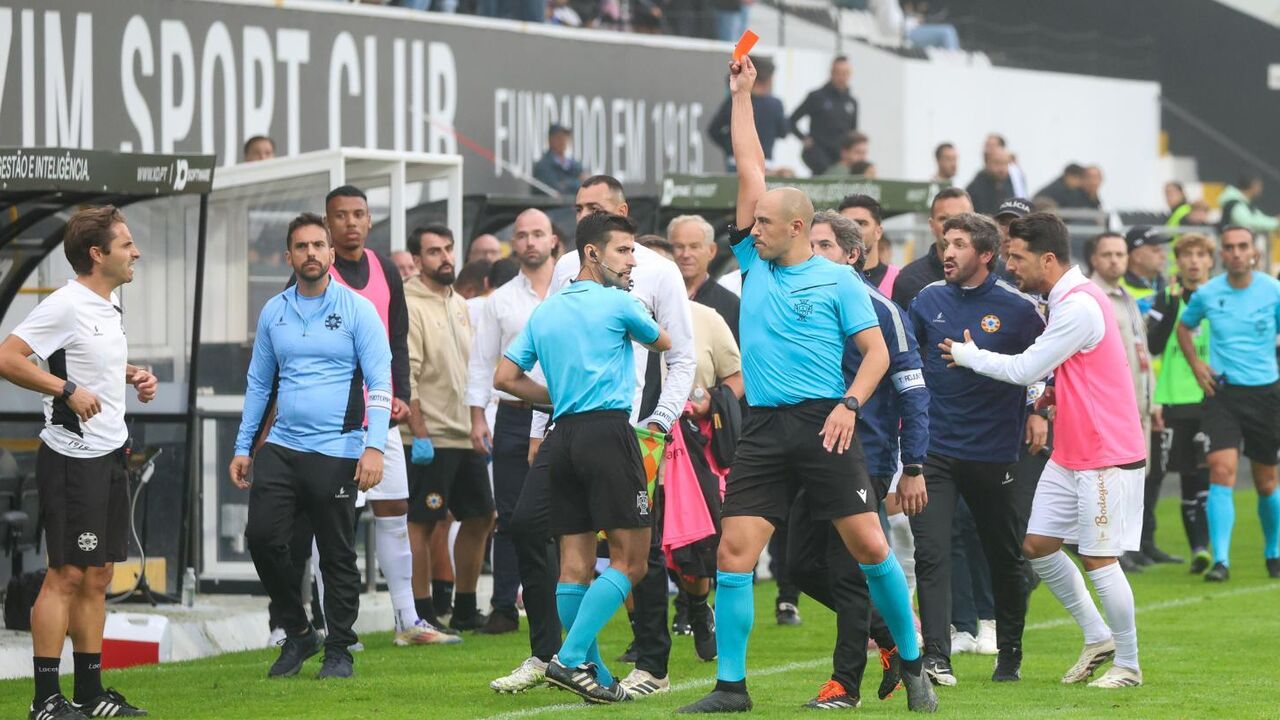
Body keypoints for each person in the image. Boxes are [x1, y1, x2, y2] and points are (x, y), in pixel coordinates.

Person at [677, 54, 936, 714]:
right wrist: (742, 95)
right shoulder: (755, 267)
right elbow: (749, 165)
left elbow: (876, 354)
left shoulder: (838, 280)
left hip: (825, 422)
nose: (751, 228)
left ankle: (913, 664)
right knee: (736, 556)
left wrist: (851, 404)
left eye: (763, 223)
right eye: (752, 221)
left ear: (795, 228)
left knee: (872, 548)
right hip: (764, 428)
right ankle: (731, 689)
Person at [498, 175, 695, 699]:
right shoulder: (619, 302)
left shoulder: (547, 309)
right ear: (593, 253)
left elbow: (504, 379)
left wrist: (557, 396)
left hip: (562, 435)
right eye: (625, 251)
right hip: (610, 434)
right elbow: (668, 343)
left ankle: (598, 676)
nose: (634, 262)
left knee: (575, 563)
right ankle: (566, 659)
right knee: (632, 559)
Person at [944, 211, 1148, 689]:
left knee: (1100, 558)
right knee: (1037, 546)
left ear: (1049, 258)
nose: (1010, 266)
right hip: (1072, 450)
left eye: (1017, 256)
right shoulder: (1066, 301)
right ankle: (1098, 636)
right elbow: (1071, 371)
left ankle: (1129, 664)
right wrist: (1054, 394)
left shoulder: (1077, 306)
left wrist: (966, 353)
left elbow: (1023, 369)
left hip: (1105, 452)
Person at [0, 207, 155, 720]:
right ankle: (45, 700)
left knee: (97, 576)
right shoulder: (64, 303)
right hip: (71, 459)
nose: (135, 252)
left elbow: (90, 361)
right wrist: (66, 389)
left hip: (110, 453)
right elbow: (8, 357)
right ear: (97, 253)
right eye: (127, 244)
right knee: (64, 576)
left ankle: (89, 694)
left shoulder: (109, 304)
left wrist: (132, 375)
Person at [232, 213, 393, 681]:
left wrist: (375, 447)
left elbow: (381, 383)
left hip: (340, 449)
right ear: (289, 256)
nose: (311, 254)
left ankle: (339, 649)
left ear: (330, 253)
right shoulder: (273, 312)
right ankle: (300, 632)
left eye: (318, 245)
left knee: (337, 554)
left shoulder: (358, 309)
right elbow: (260, 385)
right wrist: (245, 446)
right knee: (262, 539)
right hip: (281, 446)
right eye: (301, 247)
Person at [797, 210, 930, 709]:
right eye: (810, 245)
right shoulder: (805, 305)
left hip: (863, 459)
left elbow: (914, 393)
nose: (814, 255)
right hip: (808, 454)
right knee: (800, 565)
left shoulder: (882, 310)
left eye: (825, 246)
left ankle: (844, 686)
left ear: (853, 255)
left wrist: (912, 465)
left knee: (847, 570)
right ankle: (893, 637)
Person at [907, 212, 1045, 685]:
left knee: (1004, 556)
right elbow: (909, 361)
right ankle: (937, 656)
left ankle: (1009, 652)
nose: (948, 252)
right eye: (946, 243)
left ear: (986, 255)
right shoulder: (926, 300)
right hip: (935, 450)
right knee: (932, 552)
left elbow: (1042, 368)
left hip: (993, 452)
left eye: (960, 244)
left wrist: (1036, 411)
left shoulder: (1021, 309)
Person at [316, 186, 438, 647]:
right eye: (341, 215)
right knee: (334, 520)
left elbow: (398, 339)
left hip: (381, 414)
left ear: (370, 221)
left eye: (359, 214)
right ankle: (336, 626)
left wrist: (401, 394)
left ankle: (407, 620)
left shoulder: (386, 269)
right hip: (331, 421)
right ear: (328, 223)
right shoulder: (315, 273)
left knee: (394, 510)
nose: (351, 223)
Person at [635, 234, 742, 665]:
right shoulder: (618, 318)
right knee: (634, 543)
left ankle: (698, 607)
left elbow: (738, 378)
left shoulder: (706, 318)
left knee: (693, 553)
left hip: (690, 447)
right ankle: (644, 634)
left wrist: (708, 400)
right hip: (633, 441)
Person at [467, 210, 559, 648]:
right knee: (509, 514)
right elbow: (482, 362)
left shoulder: (572, 291)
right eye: (521, 236)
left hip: (563, 412)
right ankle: (503, 605)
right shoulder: (500, 300)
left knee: (561, 513)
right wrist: (477, 415)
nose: (529, 242)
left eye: (537, 233)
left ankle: (559, 602)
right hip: (513, 413)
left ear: (553, 239)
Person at [401, 226, 498, 632]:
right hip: (431, 434)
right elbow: (408, 374)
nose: (443, 258)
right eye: (433, 251)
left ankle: (464, 606)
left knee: (481, 516)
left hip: (464, 431)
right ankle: (422, 612)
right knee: (423, 522)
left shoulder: (459, 303)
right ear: (417, 258)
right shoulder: (409, 304)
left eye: (447, 249)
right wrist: (418, 430)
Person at [1176, 226, 1280, 582]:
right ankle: (1221, 561)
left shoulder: (1273, 290)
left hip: (1266, 394)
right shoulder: (1207, 293)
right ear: (1221, 254)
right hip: (1223, 395)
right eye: (1230, 247)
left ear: (1254, 252)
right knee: (1221, 470)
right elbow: (1183, 328)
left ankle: (1274, 552)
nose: (1236, 253)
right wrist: (1196, 364)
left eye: (1243, 246)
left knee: (1267, 481)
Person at [1086, 233, 1164, 570]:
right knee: (1112, 481)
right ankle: (1111, 550)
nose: (1115, 260)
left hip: (1138, 403)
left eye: (1120, 253)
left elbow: (1141, 350)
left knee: (1136, 478)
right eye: (1108, 254)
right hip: (1112, 407)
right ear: (1094, 259)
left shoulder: (1127, 297)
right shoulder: (1091, 297)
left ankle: (1130, 547)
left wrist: (1153, 398)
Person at [1145, 233, 1215, 574]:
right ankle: (1200, 549)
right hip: (1174, 400)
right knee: (1188, 474)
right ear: (1177, 261)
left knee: (1212, 473)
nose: (1193, 261)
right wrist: (1171, 308)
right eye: (1187, 255)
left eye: (1200, 255)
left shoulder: (1220, 299)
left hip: (1212, 398)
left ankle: (1209, 545)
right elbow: (1153, 346)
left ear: (1209, 262)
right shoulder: (1166, 299)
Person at [890, 188, 972, 309]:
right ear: (932, 226)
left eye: (961, 217)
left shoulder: (997, 273)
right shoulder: (909, 280)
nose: (952, 226)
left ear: (975, 221)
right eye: (943, 218)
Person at [708, 57, 788, 170]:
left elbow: (713, 130)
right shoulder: (775, 104)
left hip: (736, 161)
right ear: (767, 79)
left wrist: (730, 146)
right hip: (764, 163)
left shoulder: (734, 101)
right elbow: (783, 132)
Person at [669, 214, 740, 340]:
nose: (686, 254)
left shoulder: (731, 305)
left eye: (694, 247)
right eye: (679, 247)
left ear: (712, 251)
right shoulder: (656, 298)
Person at [789, 56, 859, 176]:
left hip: (840, 157)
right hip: (819, 154)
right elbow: (791, 121)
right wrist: (803, 138)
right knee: (824, 180)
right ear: (831, 73)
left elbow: (853, 132)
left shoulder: (852, 102)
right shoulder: (816, 96)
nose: (842, 77)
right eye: (838, 73)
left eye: (845, 73)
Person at [839, 194, 899, 299]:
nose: (853, 229)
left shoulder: (899, 279)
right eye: (846, 223)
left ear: (878, 232)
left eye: (861, 223)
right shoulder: (827, 278)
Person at [1118, 226, 1168, 317]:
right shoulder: (1117, 288)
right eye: (1156, 251)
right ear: (1137, 256)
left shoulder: (1169, 286)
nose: (1163, 256)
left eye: (1162, 250)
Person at [533, 124, 586, 197]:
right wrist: (576, 182)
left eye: (565, 137)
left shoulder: (573, 164)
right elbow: (556, 190)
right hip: (555, 207)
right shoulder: (543, 166)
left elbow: (586, 184)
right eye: (559, 138)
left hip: (575, 205)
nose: (563, 141)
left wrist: (566, 183)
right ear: (550, 140)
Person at [965, 148, 1013, 215]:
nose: (1002, 168)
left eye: (1005, 163)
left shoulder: (1008, 184)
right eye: (997, 163)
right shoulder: (976, 189)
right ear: (987, 163)